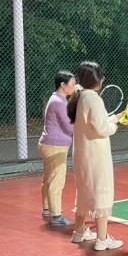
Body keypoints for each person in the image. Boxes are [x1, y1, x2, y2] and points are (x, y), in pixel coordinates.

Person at [68, 61, 125, 251]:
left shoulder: (80, 96)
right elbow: (102, 128)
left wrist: (115, 118)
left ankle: (79, 232)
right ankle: (102, 239)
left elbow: (93, 123)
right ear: (96, 79)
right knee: (102, 192)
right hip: (96, 155)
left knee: (84, 191)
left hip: (82, 155)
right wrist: (115, 125)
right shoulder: (94, 99)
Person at [39, 71, 76, 226]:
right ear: (62, 85)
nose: (74, 87)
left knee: (48, 178)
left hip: (49, 145)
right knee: (57, 180)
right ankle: (56, 216)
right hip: (55, 147)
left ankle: (47, 209)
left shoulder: (56, 99)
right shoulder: (59, 102)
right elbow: (69, 127)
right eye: (72, 84)